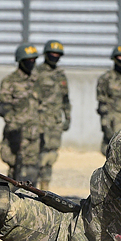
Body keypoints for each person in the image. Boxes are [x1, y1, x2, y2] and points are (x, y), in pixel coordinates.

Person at [0, 43, 42, 183]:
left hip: (34, 132)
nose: (31, 63)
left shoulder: (39, 80)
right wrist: (12, 121)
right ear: (20, 61)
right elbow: (4, 106)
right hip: (16, 132)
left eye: (33, 60)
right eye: (28, 61)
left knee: (32, 168)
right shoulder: (9, 81)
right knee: (13, 167)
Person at [34, 40, 72, 190]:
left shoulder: (60, 74)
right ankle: (32, 183)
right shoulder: (36, 73)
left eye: (57, 55)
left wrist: (67, 117)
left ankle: (45, 184)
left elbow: (65, 98)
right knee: (37, 152)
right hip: (39, 120)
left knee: (51, 154)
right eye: (52, 54)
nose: (55, 57)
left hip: (55, 121)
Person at [96, 45, 121, 156]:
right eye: (120, 56)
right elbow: (102, 105)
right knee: (112, 155)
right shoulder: (106, 78)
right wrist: (105, 126)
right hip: (113, 123)